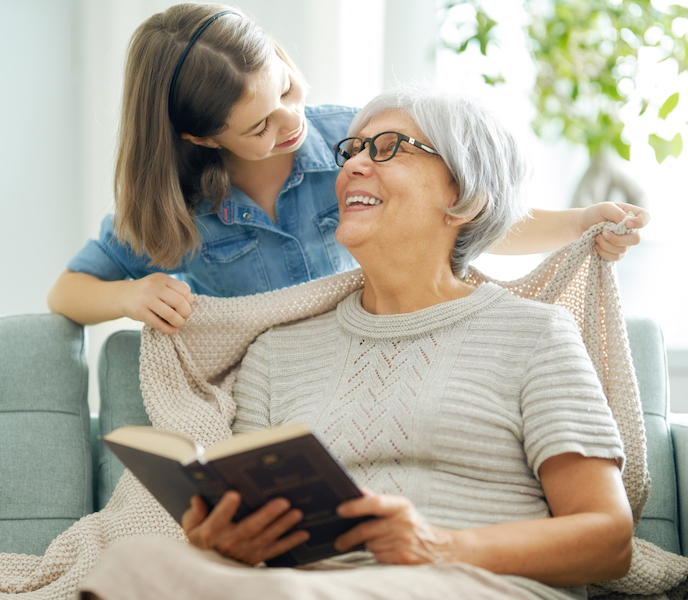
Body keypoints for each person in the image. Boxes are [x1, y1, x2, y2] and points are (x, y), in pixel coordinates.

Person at [78, 86, 633, 600]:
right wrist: (223, 542)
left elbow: (610, 540)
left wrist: (437, 546)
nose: (354, 166)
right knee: (133, 564)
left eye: (390, 148)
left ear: (464, 198)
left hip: (465, 581)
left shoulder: (535, 334)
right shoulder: (277, 352)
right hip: (306, 587)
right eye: (354, 150)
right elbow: (257, 535)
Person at [47, 3, 649, 335]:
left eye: (286, 88)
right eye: (258, 127)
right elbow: (68, 292)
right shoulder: (170, 209)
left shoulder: (356, 140)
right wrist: (131, 294)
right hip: (274, 401)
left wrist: (579, 225)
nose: (290, 122)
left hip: (375, 360)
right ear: (199, 136)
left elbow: (456, 218)